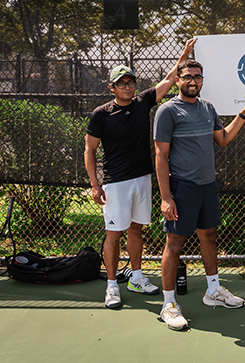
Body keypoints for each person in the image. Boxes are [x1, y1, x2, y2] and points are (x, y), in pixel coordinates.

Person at [85, 38, 197, 309]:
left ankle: (136, 277)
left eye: (131, 82)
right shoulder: (101, 114)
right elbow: (89, 151)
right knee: (114, 234)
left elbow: (170, 79)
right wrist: (95, 184)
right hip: (115, 183)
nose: (128, 86)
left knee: (136, 230)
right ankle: (112, 286)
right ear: (112, 87)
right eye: (122, 83)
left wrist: (183, 53)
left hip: (143, 179)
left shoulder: (142, 102)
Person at [153, 58, 245, 331]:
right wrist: (166, 197)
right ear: (178, 80)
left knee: (209, 236)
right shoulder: (167, 111)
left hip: (208, 185)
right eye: (187, 77)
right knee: (174, 245)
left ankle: (213, 291)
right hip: (182, 188)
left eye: (197, 77)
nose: (193, 81)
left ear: (202, 80)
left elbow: (223, 139)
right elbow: (161, 156)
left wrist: (243, 114)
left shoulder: (208, 108)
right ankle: (168, 304)